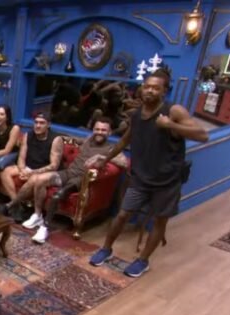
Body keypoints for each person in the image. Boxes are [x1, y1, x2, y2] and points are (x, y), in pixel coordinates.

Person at [87, 69, 208, 277]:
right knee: (122, 215)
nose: (150, 91)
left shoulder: (173, 111)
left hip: (167, 181)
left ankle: (143, 261)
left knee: (159, 221)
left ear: (164, 91)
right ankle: (106, 249)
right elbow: (124, 141)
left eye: (155, 88)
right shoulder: (136, 115)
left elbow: (203, 135)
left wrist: (170, 124)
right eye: (147, 87)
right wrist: (104, 159)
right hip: (141, 179)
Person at [9, 119, 128, 244]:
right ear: (93, 130)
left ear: (109, 132)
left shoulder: (111, 148)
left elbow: (125, 163)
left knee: (58, 195)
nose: (99, 132)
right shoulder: (89, 139)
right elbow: (76, 140)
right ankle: (38, 216)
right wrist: (60, 138)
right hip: (68, 173)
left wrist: (102, 157)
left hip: (81, 179)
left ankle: (44, 228)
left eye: (103, 130)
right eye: (97, 129)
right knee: (40, 179)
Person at [0, 112, 64, 220]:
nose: (38, 126)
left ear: (48, 125)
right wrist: (22, 170)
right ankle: (17, 206)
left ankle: (10, 205)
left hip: (44, 172)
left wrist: (32, 173)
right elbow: (21, 157)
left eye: (42, 123)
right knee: (4, 171)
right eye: (36, 122)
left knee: (35, 179)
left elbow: (54, 165)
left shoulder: (56, 139)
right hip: (29, 168)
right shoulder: (28, 135)